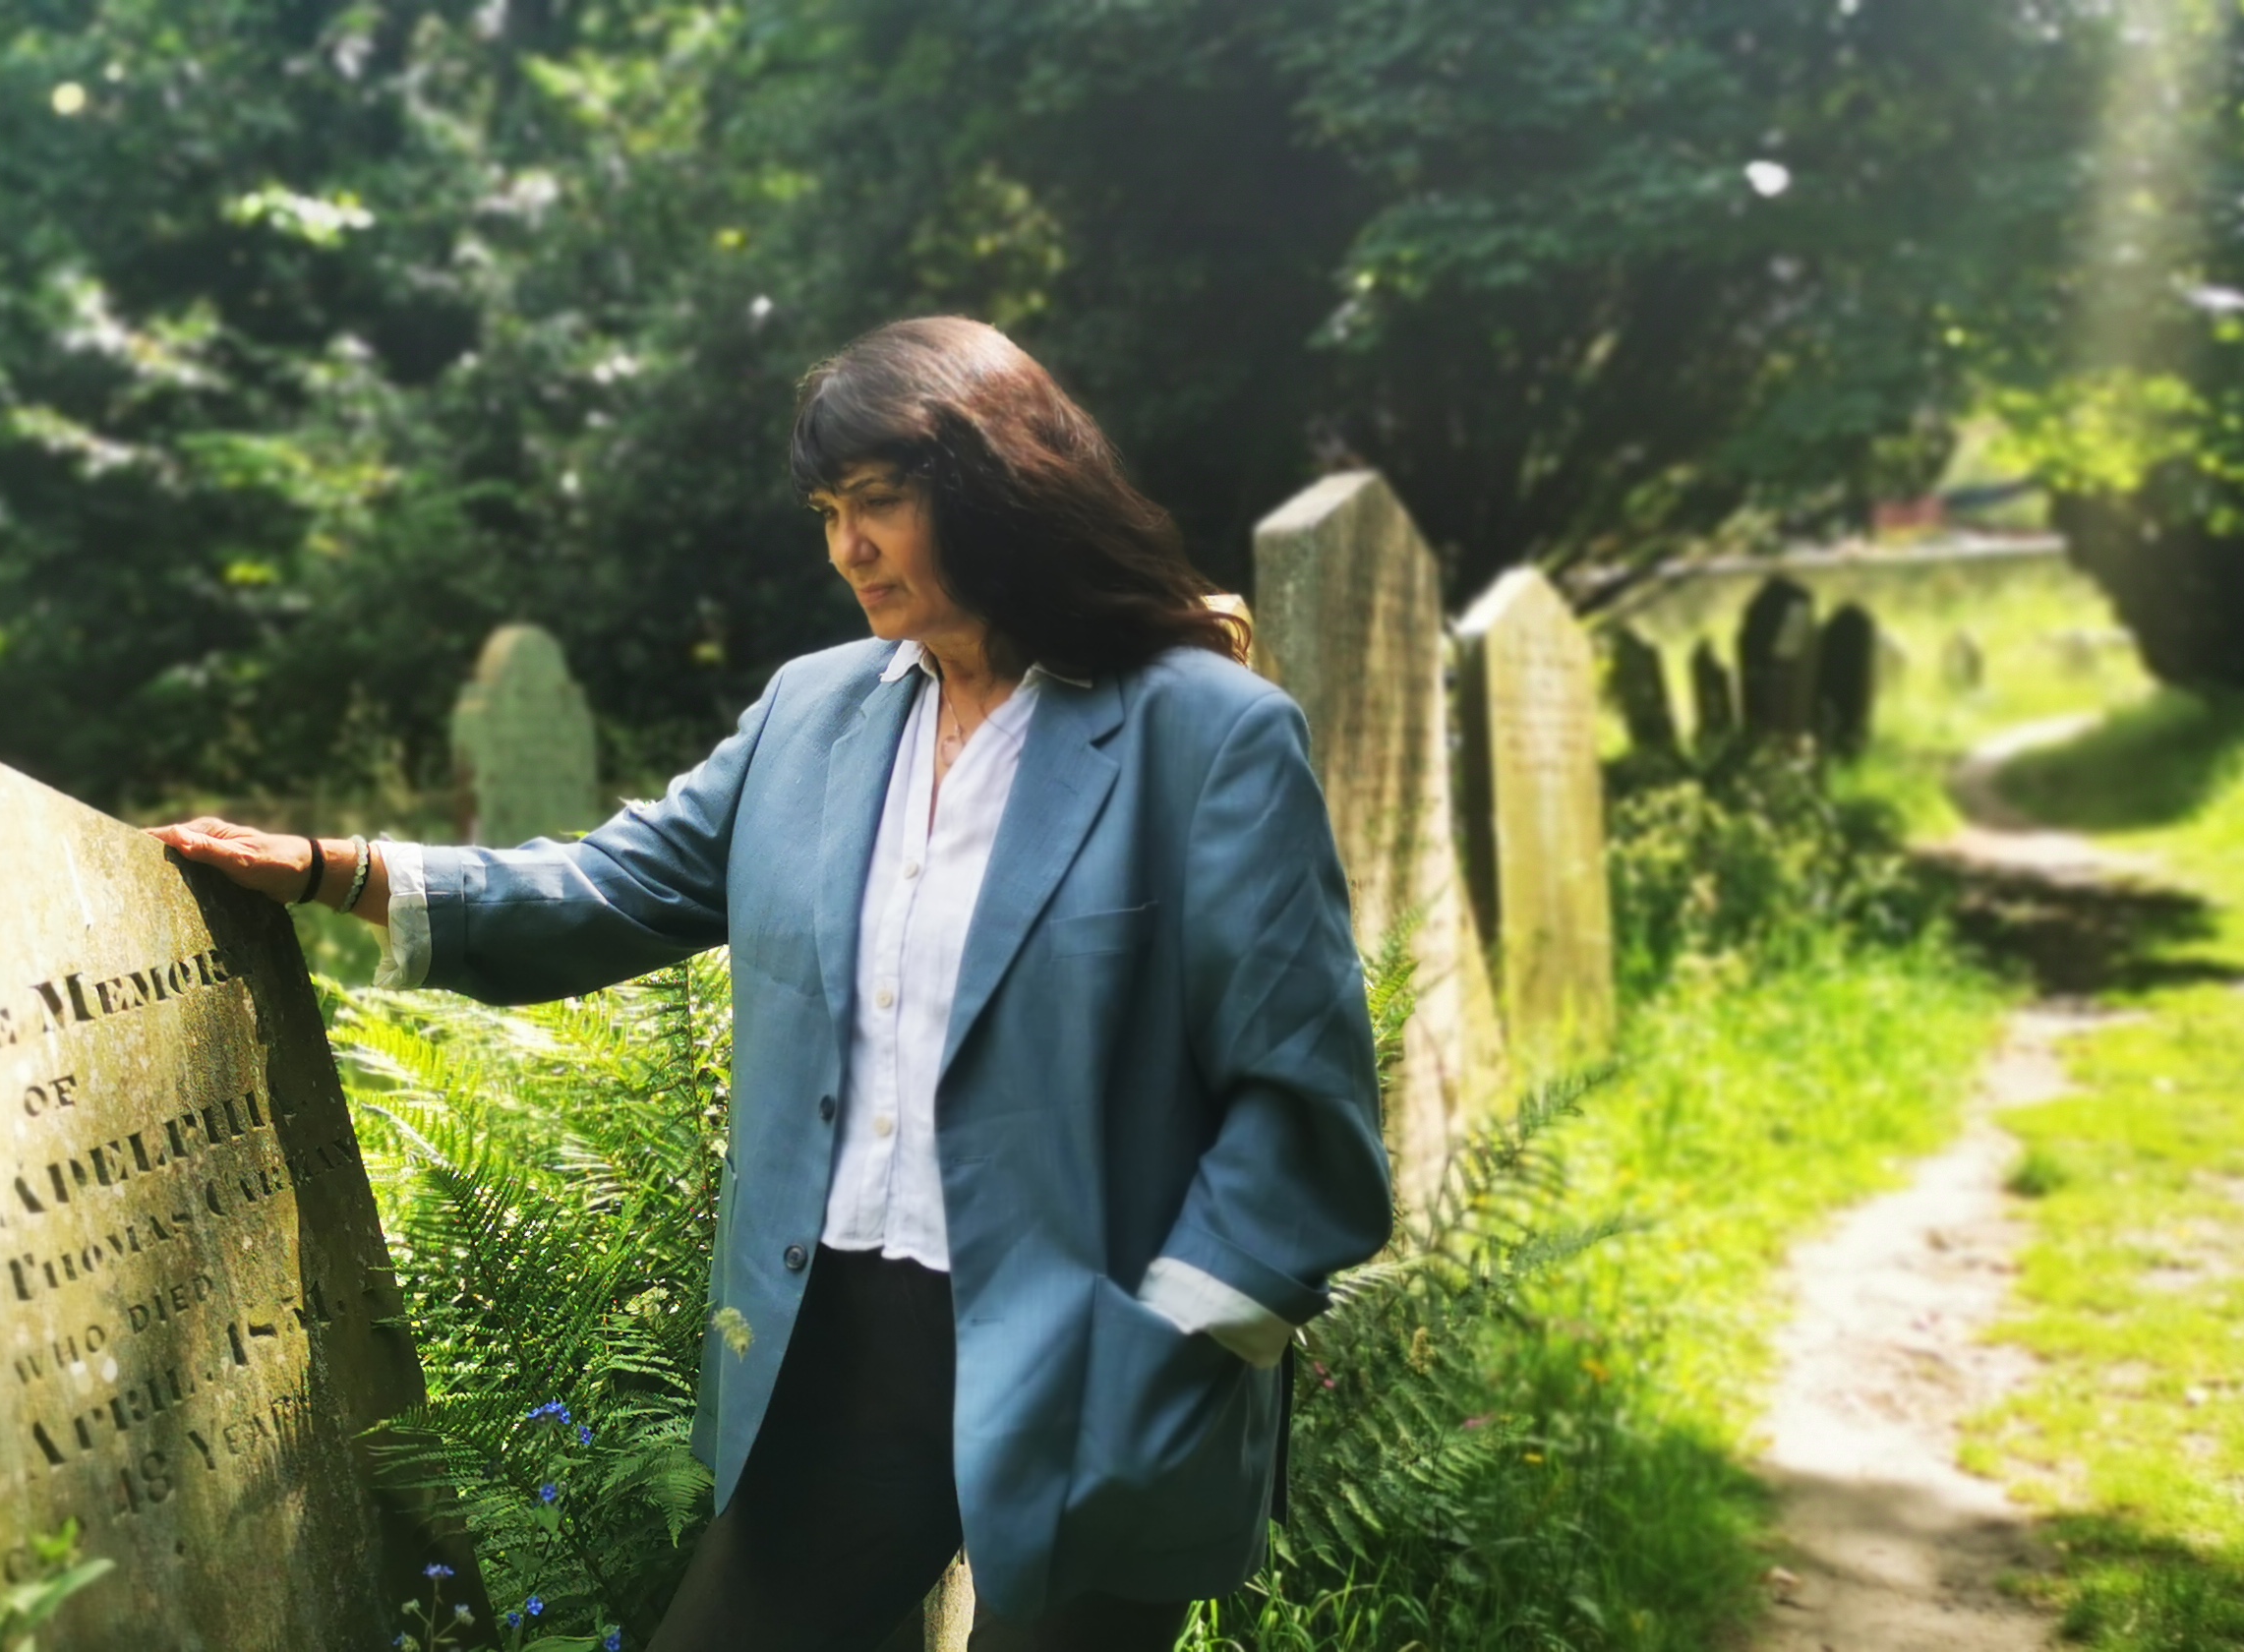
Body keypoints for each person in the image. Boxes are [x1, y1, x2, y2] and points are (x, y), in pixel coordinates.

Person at [150, 317, 1389, 1652]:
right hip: (846, 1343)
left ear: (998, 488)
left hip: (1105, 1348)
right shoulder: (817, 710)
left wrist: (1185, 1339)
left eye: (879, 504)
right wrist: (346, 873)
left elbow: (1302, 1107)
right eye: (827, 508)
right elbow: (619, 885)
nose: (844, 547)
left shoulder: (1204, 736)